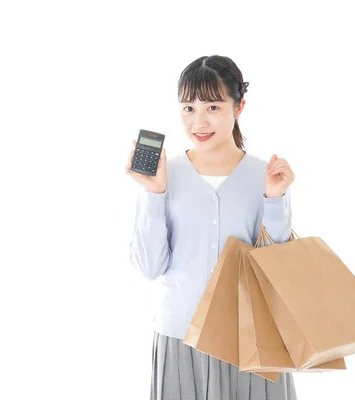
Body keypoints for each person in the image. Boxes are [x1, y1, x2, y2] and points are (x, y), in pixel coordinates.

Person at [126, 55, 297, 400]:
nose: (198, 121)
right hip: (180, 338)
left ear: (239, 107)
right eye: (188, 108)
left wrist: (275, 199)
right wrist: (153, 193)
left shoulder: (266, 176)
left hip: (252, 343)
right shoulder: (165, 175)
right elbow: (148, 268)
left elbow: (277, 273)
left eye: (213, 107)